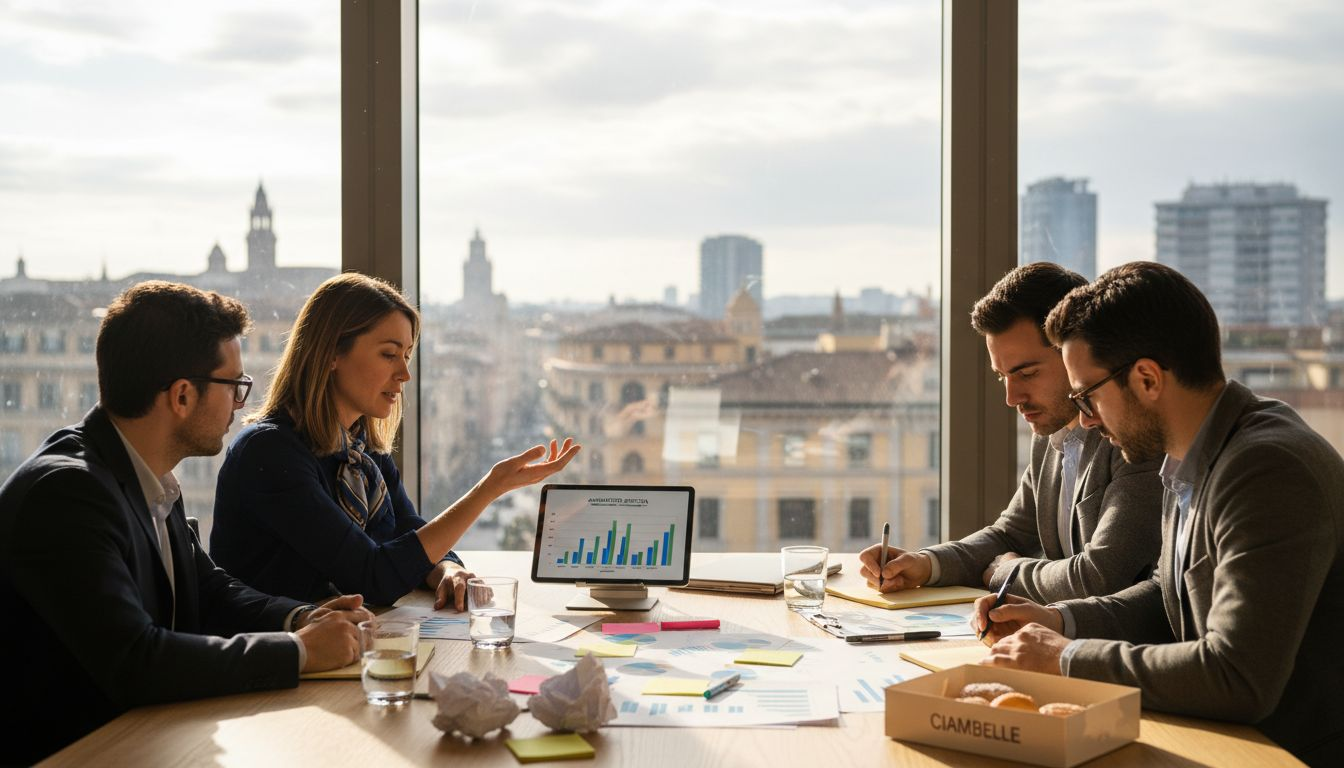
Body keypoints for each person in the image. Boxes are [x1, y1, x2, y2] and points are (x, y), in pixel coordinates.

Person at [973, 261, 1343, 766]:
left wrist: (1063, 657)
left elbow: (1236, 677)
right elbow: (1167, 595)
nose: (1083, 419)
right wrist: (1060, 620)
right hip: (1220, 739)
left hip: (1284, 753)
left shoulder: (1266, 468)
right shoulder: (1191, 453)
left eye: (1087, 397)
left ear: (1147, 379)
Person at [0, 281, 371, 764]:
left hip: (151, 737)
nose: (241, 407)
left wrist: (301, 617)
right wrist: (298, 651)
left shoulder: (144, 472)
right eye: (236, 387)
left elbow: (209, 590)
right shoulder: (68, 494)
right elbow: (136, 660)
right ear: (181, 396)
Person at [210, 273, 579, 609]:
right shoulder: (270, 454)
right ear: (331, 353)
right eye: (389, 355)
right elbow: (374, 578)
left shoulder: (361, 451)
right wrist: (487, 490)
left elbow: (412, 533)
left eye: (406, 356)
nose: (404, 374)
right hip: (283, 665)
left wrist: (447, 569)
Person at [858, 262, 1163, 602]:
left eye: (1027, 373)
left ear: (1075, 354)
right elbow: (1011, 534)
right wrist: (925, 563)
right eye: (1002, 377)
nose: (1011, 398)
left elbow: (1100, 576)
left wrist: (1007, 573)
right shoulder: (1050, 434)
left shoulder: (1132, 436)